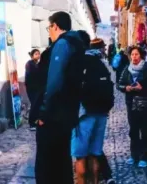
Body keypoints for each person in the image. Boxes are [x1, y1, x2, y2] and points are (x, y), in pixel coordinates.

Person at [35, 12, 86, 184]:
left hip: (54, 116)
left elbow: (54, 82)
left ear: (55, 26)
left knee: (47, 164)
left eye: (49, 27)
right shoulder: (76, 44)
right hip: (67, 112)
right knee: (61, 160)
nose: (49, 31)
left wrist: (43, 113)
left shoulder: (62, 44)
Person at [72, 33, 114, 184]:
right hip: (102, 113)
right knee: (95, 153)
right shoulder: (102, 62)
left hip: (85, 114)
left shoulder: (79, 62)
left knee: (80, 156)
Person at [118, 47, 147, 168]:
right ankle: (134, 155)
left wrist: (143, 88)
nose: (134, 57)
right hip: (131, 104)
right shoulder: (127, 69)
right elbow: (119, 84)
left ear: (141, 55)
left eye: (136, 54)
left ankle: (144, 157)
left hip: (145, 104)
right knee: (133, 131)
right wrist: (126, 88)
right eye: (132, 54)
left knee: (144, 131)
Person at [25, 49, 41, 130]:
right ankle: (32, 123)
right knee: (34, 105)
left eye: (39, 54)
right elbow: (31, 75)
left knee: (37, 105)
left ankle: (35, 122)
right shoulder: (29, 64)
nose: (38, 55)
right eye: (36, 54)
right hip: (31, 88)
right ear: (32, 55)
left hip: (37, 88)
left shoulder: (37, 64)